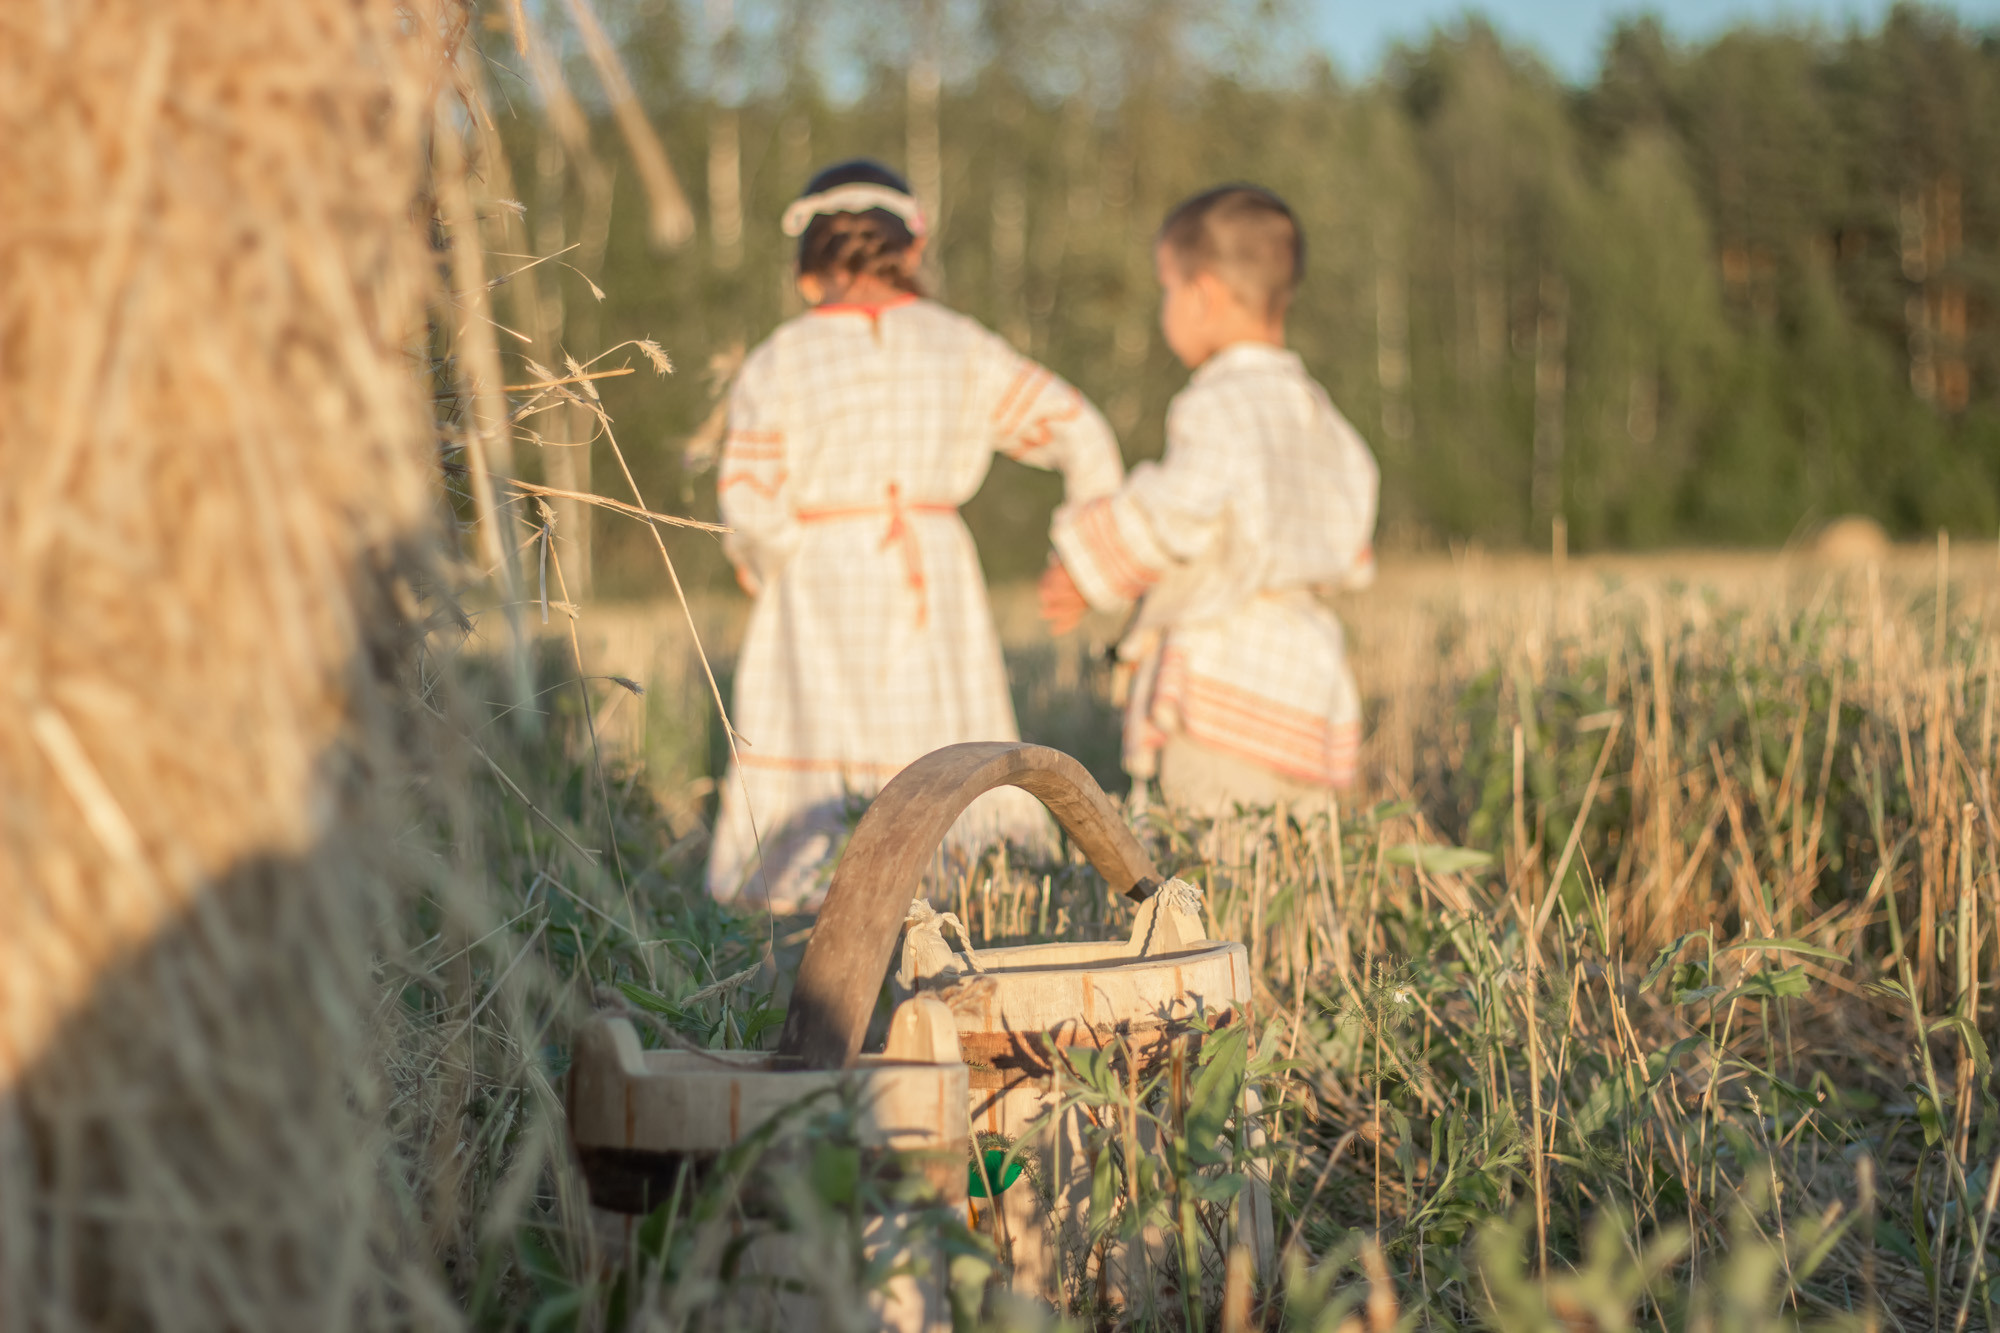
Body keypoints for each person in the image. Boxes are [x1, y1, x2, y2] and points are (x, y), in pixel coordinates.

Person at [707, 160, 1125, 909]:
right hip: (932, 563)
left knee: (820, 736)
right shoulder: (960, 344)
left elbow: (750, 499)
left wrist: (760, 557)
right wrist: (1084, 553)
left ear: (808, 272)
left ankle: (810, 917)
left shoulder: (779, 358)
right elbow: (1079, 429)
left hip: (821, 572)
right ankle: (966, 899)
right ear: (913, 251)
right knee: (945, 734)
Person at [1039, 185, 1378, 812]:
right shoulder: (1319, 414)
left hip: (1227, 681)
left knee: (1207, 867)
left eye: (1168, 289)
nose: (1166, 307)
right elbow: (1354, 537)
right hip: (1308, 683)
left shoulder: (1218, 403)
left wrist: (1088, 567)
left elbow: (1177, 510)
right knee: (1291, 880)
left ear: (1203, 296)